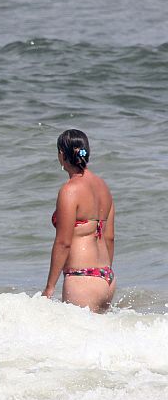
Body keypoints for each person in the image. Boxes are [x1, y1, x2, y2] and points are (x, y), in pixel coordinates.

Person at [44, 129, 115, 312]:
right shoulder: (103, 187)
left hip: (82, 278)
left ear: (61, 154)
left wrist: (49, 288)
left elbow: (63, 243)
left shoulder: (70, 190)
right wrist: (104, 277)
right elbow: (109, 238)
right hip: (106, 277)